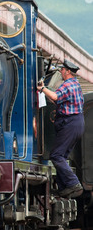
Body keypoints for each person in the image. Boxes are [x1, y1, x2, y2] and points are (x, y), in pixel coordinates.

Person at [37, 59, 85, 198]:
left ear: (68, 71)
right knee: (62, 156)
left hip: (70, 123)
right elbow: (57, 100)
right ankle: (64, 188)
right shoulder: (75, 85)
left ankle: (73, 184)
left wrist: (42, 88)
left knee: (56, 155)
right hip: (75, 123)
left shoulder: (68, 84)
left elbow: (55, 96)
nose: (61, 72)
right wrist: (46, 91)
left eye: (62, 70)